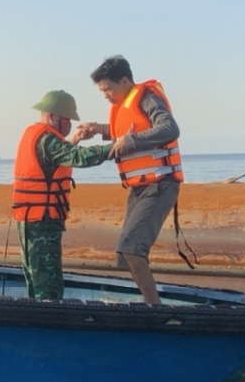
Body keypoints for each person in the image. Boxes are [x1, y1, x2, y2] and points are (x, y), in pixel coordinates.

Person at [74, 55, 183, 304]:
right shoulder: (123, 105)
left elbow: (169, 128)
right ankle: (148, 300)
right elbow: (126, 130)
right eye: (102, 91)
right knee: (124, 254)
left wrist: (129, 141)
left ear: (124, 81)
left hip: (160, 183)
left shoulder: (147, 97)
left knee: (132, 246)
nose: (106, 95)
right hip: (139, 188)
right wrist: (99, 129)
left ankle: (153, 307)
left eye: (108, 89)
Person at [12, 90, 112, 300]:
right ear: (54, 117)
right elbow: (77, 157)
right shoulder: (46, 139)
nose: (70, 125)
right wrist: (114, 147)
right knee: (47, 282)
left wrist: (75, 138)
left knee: (36, 275)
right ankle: (47, 322)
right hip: (41, 221)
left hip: (31, 219)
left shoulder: (36, 134)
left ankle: (38, 315)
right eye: (68, 120)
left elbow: (57, 157)